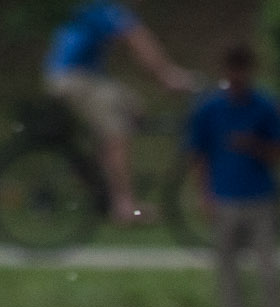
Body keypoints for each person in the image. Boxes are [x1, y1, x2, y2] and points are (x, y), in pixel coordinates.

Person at [185, 44, 280, 307]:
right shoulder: (209, 109)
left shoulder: (266, 106)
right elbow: (198, 155)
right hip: (225, 199)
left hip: (260, 198)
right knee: (229, 281)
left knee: (269, 277)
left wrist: (254, 146)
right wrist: (204, 195)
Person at [42, 2, 194, 224]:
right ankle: (124, 207)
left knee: (133, 106)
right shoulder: (105, 9)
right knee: (117, 133)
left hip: (75, 77)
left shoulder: (96, 8)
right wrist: (167, 75)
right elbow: (137, 40)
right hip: (73, 78)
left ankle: (103, 174)